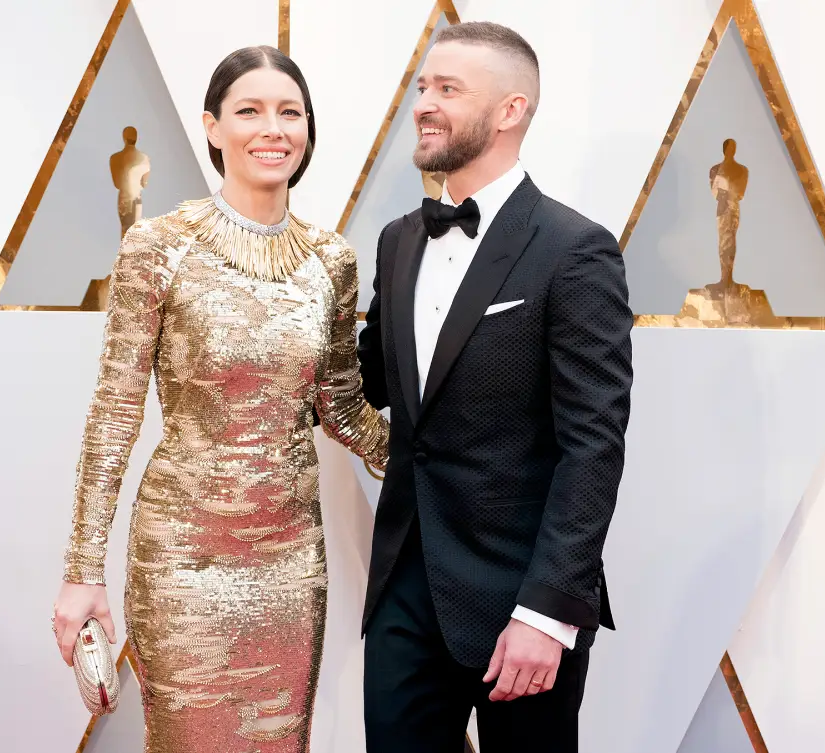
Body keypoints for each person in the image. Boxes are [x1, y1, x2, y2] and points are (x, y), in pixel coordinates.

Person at [52, 45, 389, 753]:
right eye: (250, 111)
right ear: (212, 127)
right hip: (182, 560)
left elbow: (341, 406)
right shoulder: (158, 246)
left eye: (290, 112)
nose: (274, 128)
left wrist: (447, 452)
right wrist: (83, 571)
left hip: (291, 567)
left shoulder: (333, 260)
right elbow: (114, 412)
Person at [358, 21, 633, 752]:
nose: (425, 103)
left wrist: (547, 612)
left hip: (521, 597)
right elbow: (375, 379)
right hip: (404, 587)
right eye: (423, 87)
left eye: (448, 89)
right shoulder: (398, 239)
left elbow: (593, 446)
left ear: (510, 110)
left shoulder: (576, 250)